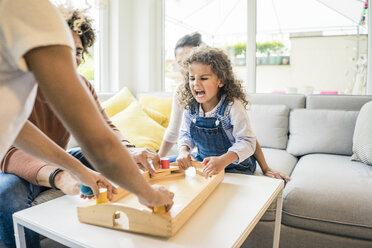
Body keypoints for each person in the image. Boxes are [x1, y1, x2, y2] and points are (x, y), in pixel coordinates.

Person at [0, 5, 165, 248]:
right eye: (65, 49)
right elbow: (10, 149)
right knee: (5, 193)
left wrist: (130, 151)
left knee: (113, 159)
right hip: (13, 165)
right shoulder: (18, 82)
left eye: (78, 51)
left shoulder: (81, 85)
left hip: (56, 156)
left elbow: (104, 130)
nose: (72, 59)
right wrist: (61, 176)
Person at [159, 33, 290, 180]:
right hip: (205, 160)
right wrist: (183, 151)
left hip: (236, 164)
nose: (196, 83)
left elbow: (247, 140)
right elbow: (185, 135)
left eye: (203, 78)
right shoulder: (190, 106)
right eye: (191, 78)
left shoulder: (232, 106)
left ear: (220, 80)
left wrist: (226, 161)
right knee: (162, 166)